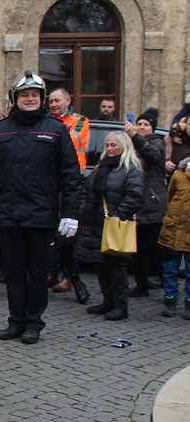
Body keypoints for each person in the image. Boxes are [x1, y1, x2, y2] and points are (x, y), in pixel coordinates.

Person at [0, 71, 81, 344]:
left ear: (41, 98)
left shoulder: (55, 130)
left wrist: (70, 213)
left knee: (38, 272)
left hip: (41, 216)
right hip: (8, 215)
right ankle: (15, 321)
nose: (29, 99)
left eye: (34, 94)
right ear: (15, 98)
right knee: (14, 273)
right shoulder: (0, 130)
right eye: (24, 95)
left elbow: (70, 175)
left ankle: (33, 323)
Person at [74, 131, 143, 320]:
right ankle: (107, 301)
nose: (110, 149)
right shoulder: (100, 167)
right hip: (94, 223)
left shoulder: (131, 169)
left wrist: (118, 215)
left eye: (114, 145)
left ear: (124, 146)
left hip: (114, 224)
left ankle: (120, 305)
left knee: (116, 266)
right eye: (108, 145)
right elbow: (85, 191)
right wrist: (83, 210)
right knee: (100, 264)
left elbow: (135, 196)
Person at [47, 87, 90, 303]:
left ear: (68, 101)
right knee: (52, 234)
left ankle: (70, 278)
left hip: (72, 183)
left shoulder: (79, 121)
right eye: (51, 101)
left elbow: (70, 141)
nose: (53, 105)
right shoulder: (47, 122)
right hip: (51, 184)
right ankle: (52, 271)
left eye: (57, 101)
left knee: (67, 235)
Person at [125, 108, 167, 297]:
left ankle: (164, 280)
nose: (141, 127)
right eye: (139, 124)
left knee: (156, 247)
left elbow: (153, 155)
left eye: (146, 124)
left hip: (153, 202)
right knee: (139, 249)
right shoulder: (132, 143)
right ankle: (141, 285)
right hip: (137, 203)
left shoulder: (157, 142)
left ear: (152, 128)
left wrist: (135, 136)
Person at [158, 156, 190, 318]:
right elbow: (169, 197)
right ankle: (170, 301)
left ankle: (189, 304)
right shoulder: (178, 175)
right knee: (170, 270)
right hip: (173, 230)